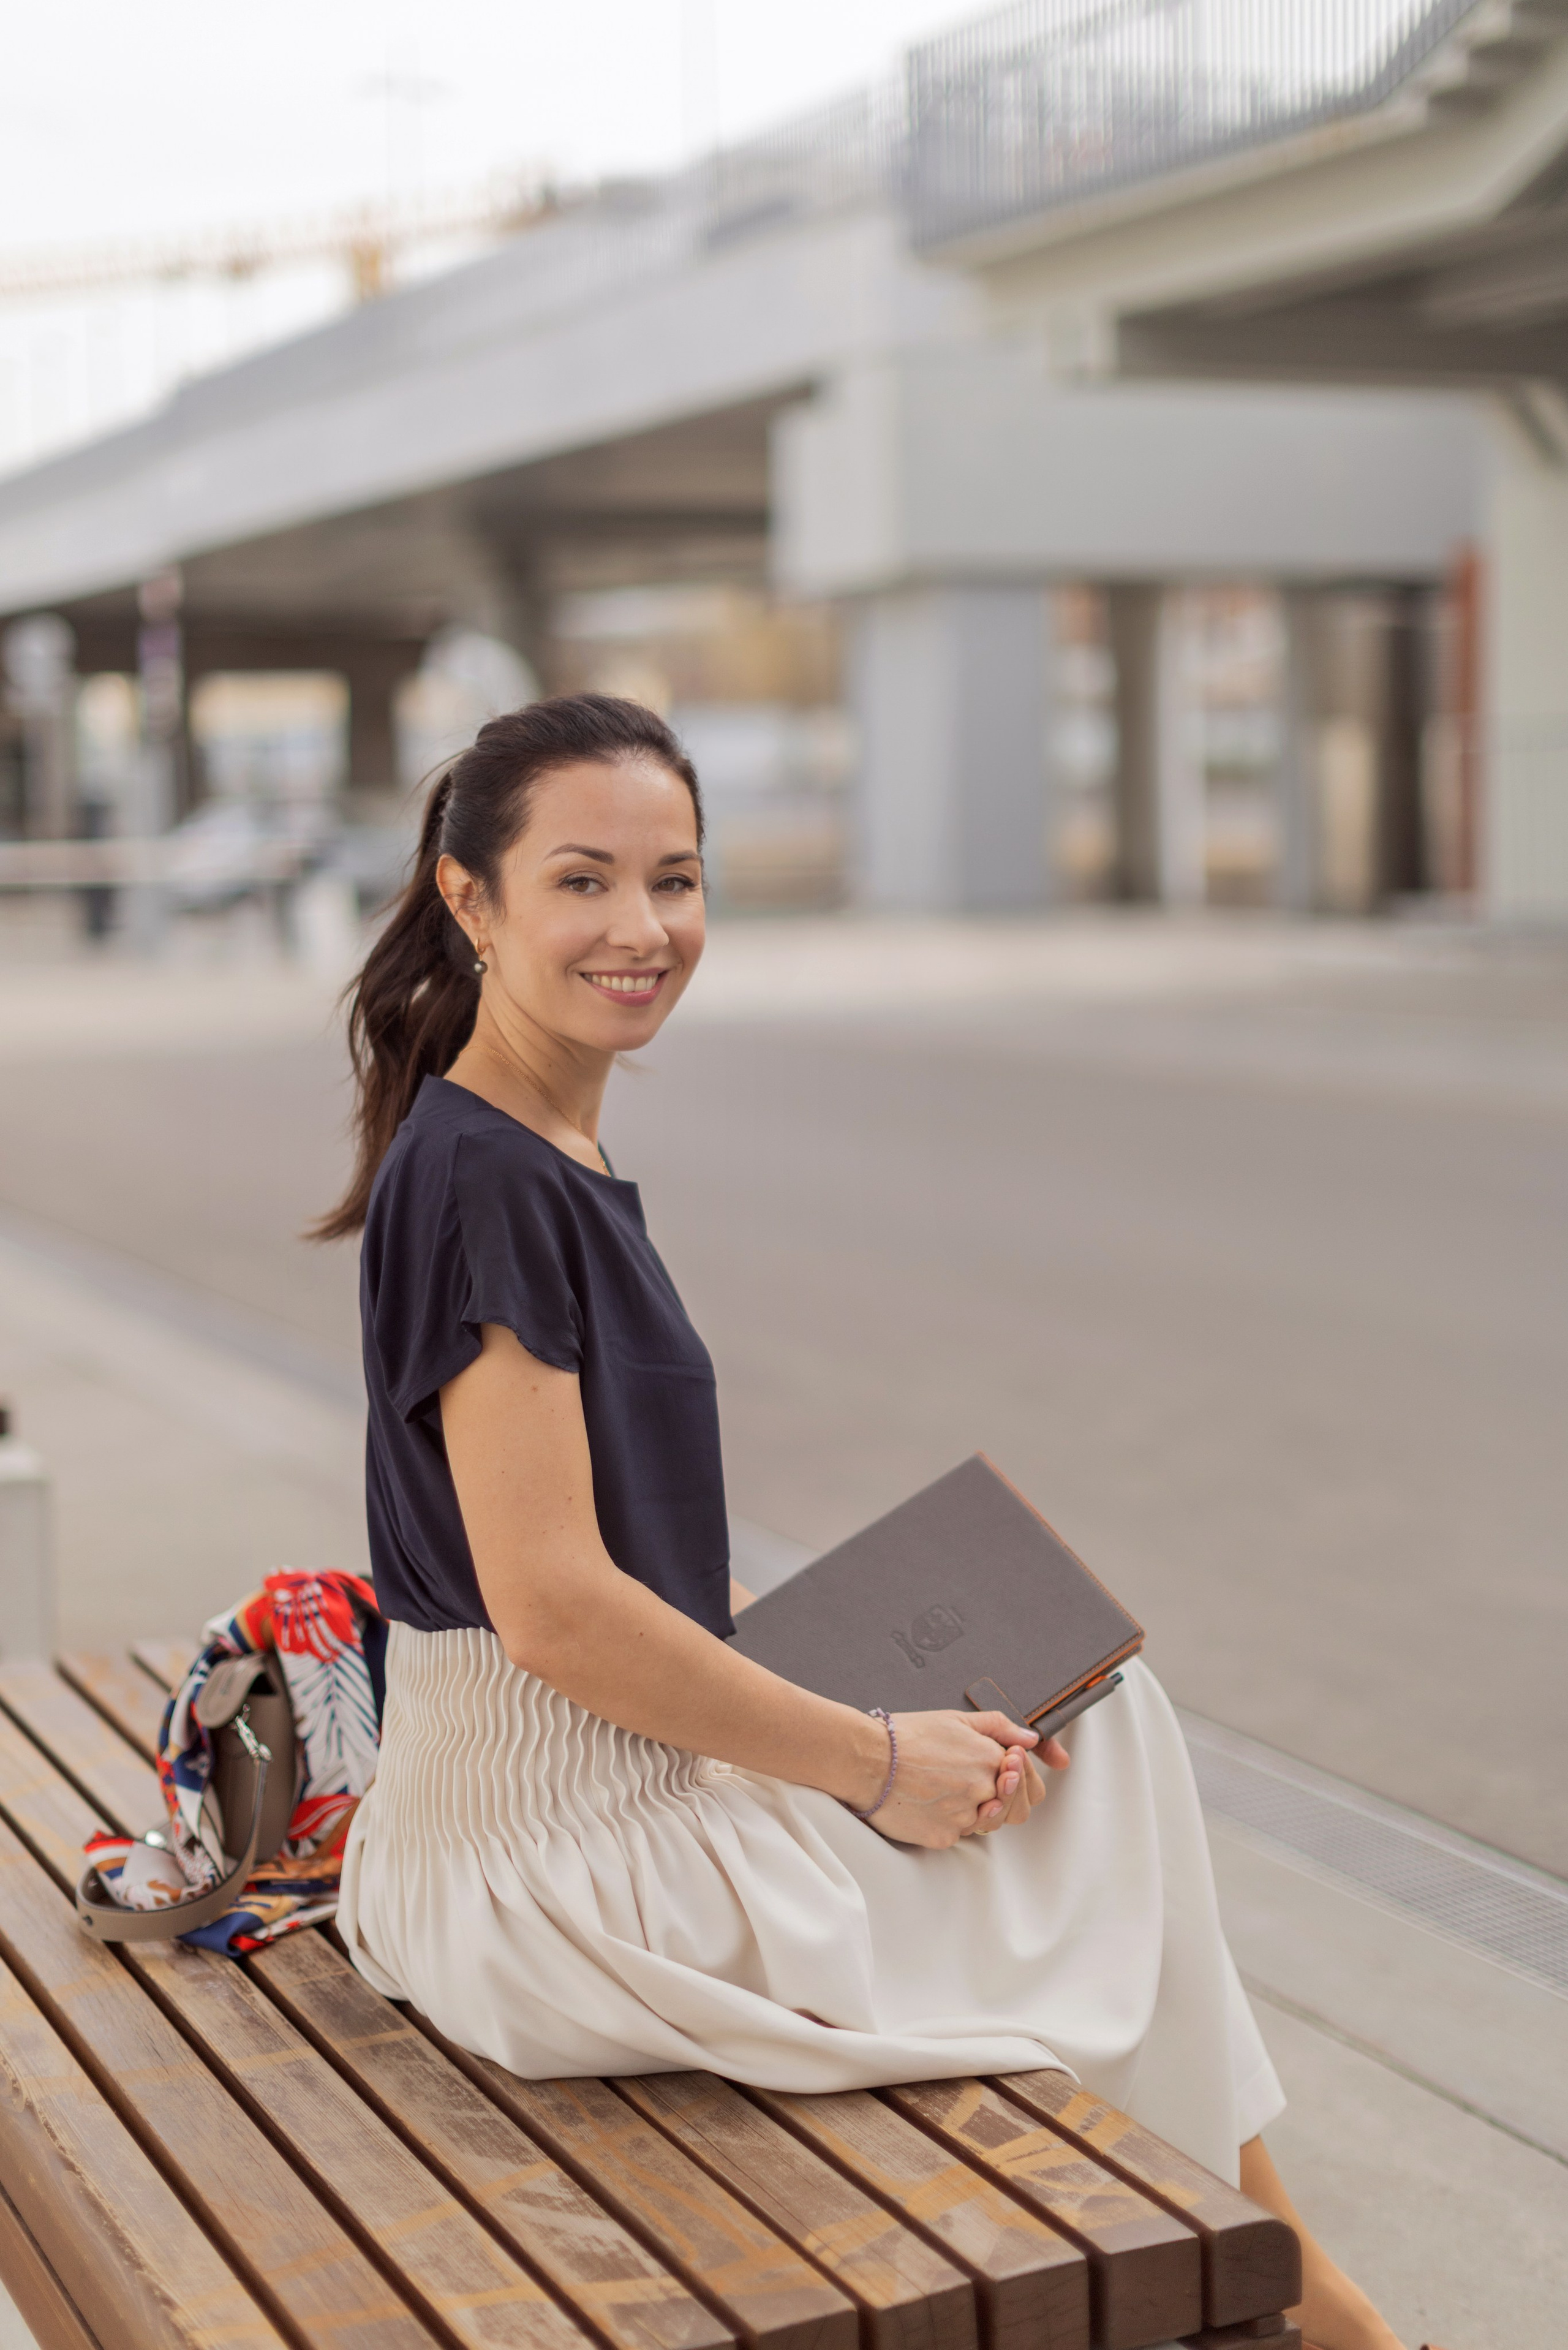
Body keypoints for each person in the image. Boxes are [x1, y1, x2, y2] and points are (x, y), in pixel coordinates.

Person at [322, 693, 1418, 2350]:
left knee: (1087, 1721)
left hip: (569, 1815)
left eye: (677, 880)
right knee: (1087, 1777)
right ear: (471, 901)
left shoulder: (528, 1138)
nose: (644, 929)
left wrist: (855, 1690)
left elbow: (601, 1556)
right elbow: (549, 1608)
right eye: (585, 882)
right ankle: (1297, 2299)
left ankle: (1282, 2287)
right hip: (553, 1874)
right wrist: (872, 1760)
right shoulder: (488, 1179)